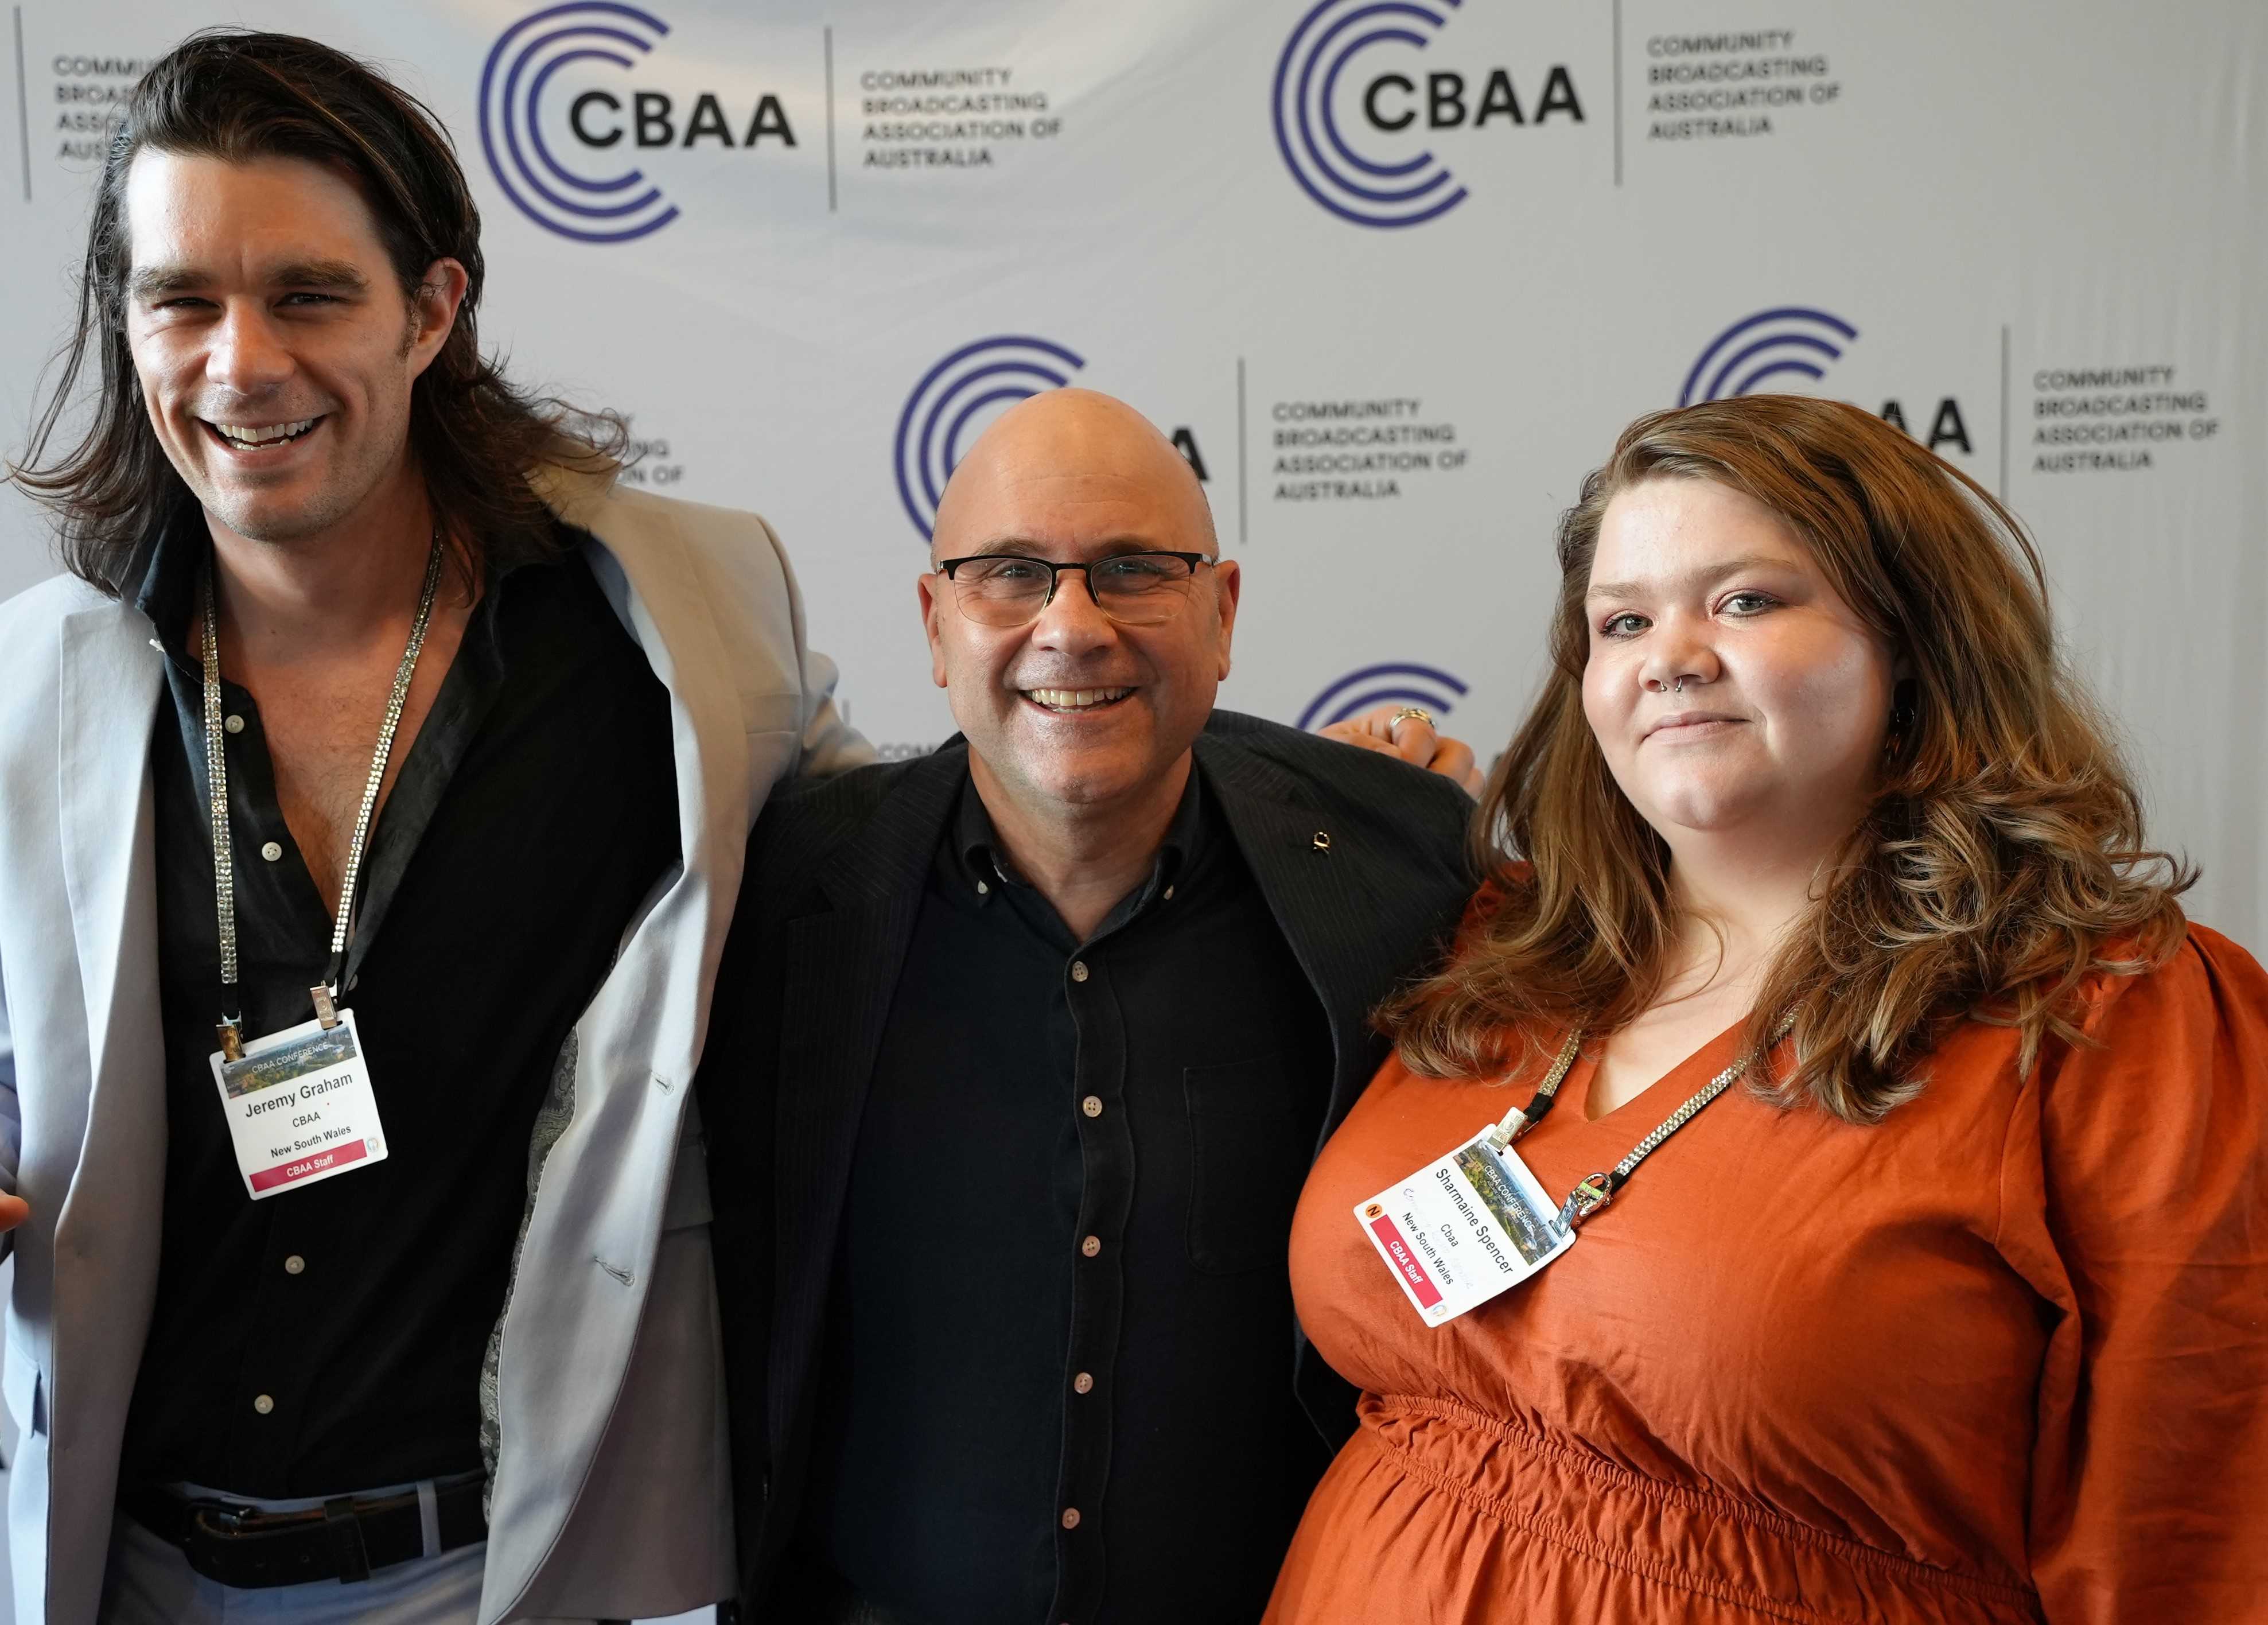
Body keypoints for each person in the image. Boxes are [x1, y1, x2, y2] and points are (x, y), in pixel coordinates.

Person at [0, 30, 863, 1624]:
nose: (241, 365)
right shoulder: (30, 691)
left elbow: (912, 871)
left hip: (520, 1573)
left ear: (433, 309)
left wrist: (1281, 792)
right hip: (126, 1573)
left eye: (308, 296)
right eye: (182, 301)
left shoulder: (668, 634)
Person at [1265, 394, 2268, 1624]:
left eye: (1745, 601)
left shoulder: (2110, 1015)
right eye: (1623, 621)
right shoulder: (1502, 947)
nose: (1670, 657)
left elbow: (2193, 1537)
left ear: (1913, 640)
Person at [696, 388, 1481, 1625]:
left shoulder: (1402, 867)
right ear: (937, 624)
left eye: (1132, 570)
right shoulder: (772, 897)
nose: (1071, 626)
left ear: (1222, 615)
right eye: (1010, 574)